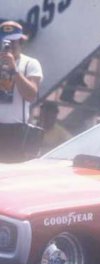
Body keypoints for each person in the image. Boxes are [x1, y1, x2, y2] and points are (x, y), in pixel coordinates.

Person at [0, 20, 43, 162]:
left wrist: (14, 69)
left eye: (12, 42)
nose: (9, 47)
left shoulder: (30, 63)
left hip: (15, 129)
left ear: (20, 41)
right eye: (5, 42)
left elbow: (31, 95)